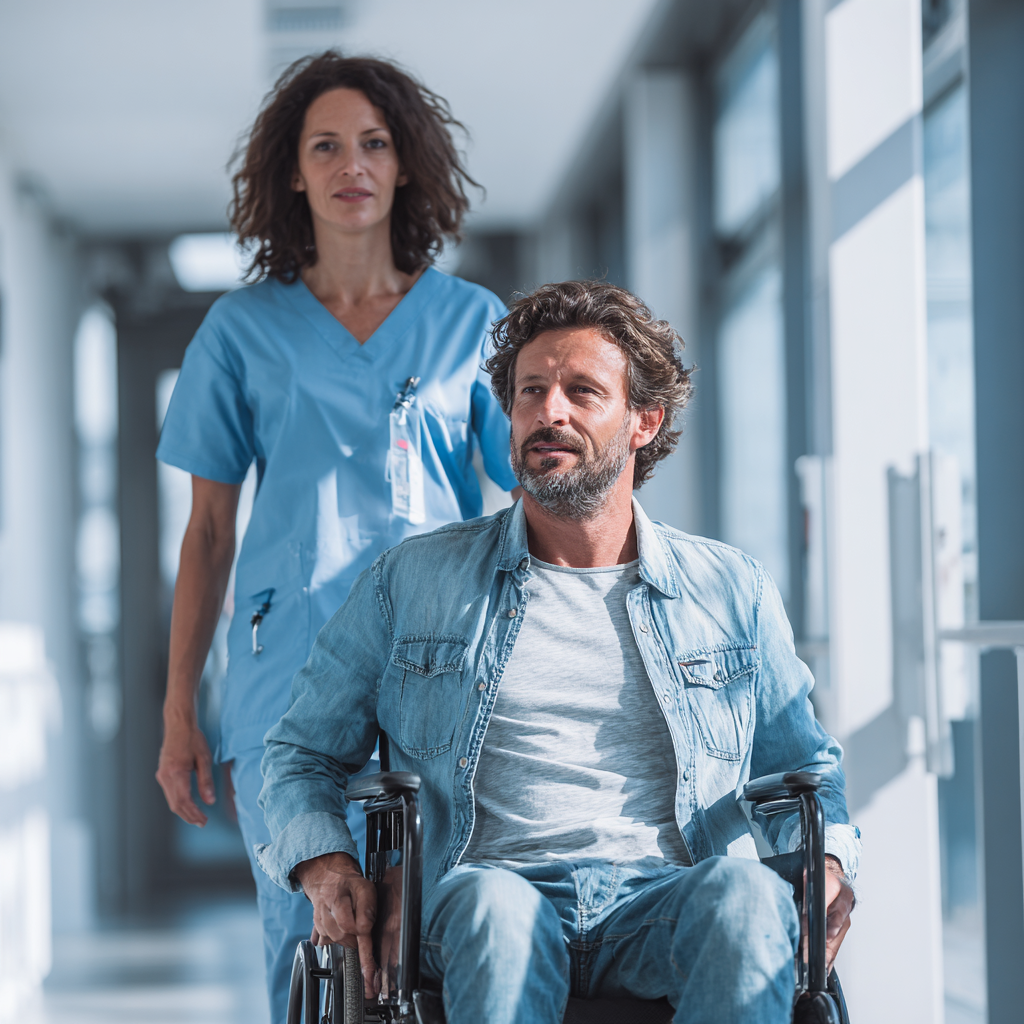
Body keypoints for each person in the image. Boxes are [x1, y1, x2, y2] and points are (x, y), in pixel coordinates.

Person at [255, 280, 860, 1024]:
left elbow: (804, 768)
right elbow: (299, 752)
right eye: (530, 391)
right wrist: (327, 863)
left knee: (745, 898)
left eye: (581, 391)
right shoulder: (414, 581)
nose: (550, 412)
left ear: (644, 421)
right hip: (487, 893)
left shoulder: (730, 590)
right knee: (494, 908)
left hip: (664, 898)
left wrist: (826, 862)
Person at [153, 52, 519, 1023]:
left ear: (404, 167)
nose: (351, 164)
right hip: (286, 686)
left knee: (437, 946)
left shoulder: (472, 324)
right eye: (326, 146)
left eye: (374, 143)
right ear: (293, 173)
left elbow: (542, 497)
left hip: (441, 678)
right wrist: (179, 708)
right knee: (308, 949)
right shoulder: (243, 332)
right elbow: (207, 533)